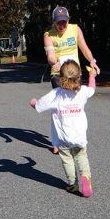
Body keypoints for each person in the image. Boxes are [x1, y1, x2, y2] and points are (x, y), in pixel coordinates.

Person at [29, 60, 97, 198]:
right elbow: (92, 89)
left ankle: (73, 184)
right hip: (79, 135)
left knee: (67, 159)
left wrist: (33, 102)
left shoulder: (55, 94)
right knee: (81, 156)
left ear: (61, 78)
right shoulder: (82, 92)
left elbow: (39, 106)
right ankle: (85, 176)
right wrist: (92, 76)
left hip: (62, 137)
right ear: (79, 76)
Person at [44, 6, 100, 154]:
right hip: (58, 74)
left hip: (74, 74)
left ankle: (74, 137)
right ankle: (57, 141)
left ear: (68, 20)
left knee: (75, 106)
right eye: (58, 22)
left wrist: (92, 61)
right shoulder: (48, 34)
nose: (62, 26)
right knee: (58, 108)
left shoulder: (75, 29)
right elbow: (50, 54)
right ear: (54, 22)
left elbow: (84, 48)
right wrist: (53, 61)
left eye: (64, 22)